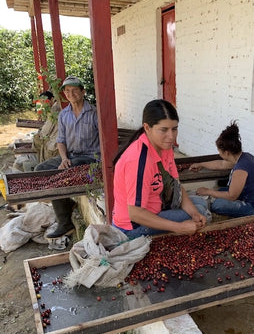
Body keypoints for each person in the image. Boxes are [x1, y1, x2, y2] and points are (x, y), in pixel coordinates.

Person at [112, 99, 208, 237]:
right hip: (133, 227)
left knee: (199, 207)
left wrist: (194, 214)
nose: (171, 136)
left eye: (174, 129)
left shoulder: (164, 146)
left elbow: (176, 186)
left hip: (156, 208)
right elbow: (135, 213)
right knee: (201, 209)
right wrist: (179, 227)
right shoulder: (139, 161)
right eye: (164, 130)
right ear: (147, 128)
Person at [35, 76, 100, 238]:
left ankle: (65, 223)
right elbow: (61, 141)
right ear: (64, 94)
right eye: (67, 91)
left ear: (83, 92)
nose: (71, 94)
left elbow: (105, 139)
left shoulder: (94, 113)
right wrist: (63, 158)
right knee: (40, 169)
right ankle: (66, 203)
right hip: (70, 156)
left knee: (60, 174)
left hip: (90, 158)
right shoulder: (64, 115)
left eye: (75, 90)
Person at [189, 121, 254, 217]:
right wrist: (201, 164)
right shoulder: (244, 157)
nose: (219, 154)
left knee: (217, 205)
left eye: (219, 151)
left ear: (226, 152)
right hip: (252, 197)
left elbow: (232, 196)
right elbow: (221, 164)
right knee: (221, 190)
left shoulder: (240, 169)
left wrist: (208, 191)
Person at [24, 91, 61, 171]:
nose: (44, 104)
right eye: (42, 102)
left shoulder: (56, 109)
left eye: (45, 101)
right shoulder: (51, 110)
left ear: (52, 99)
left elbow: (47, 130)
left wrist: (41, 134)